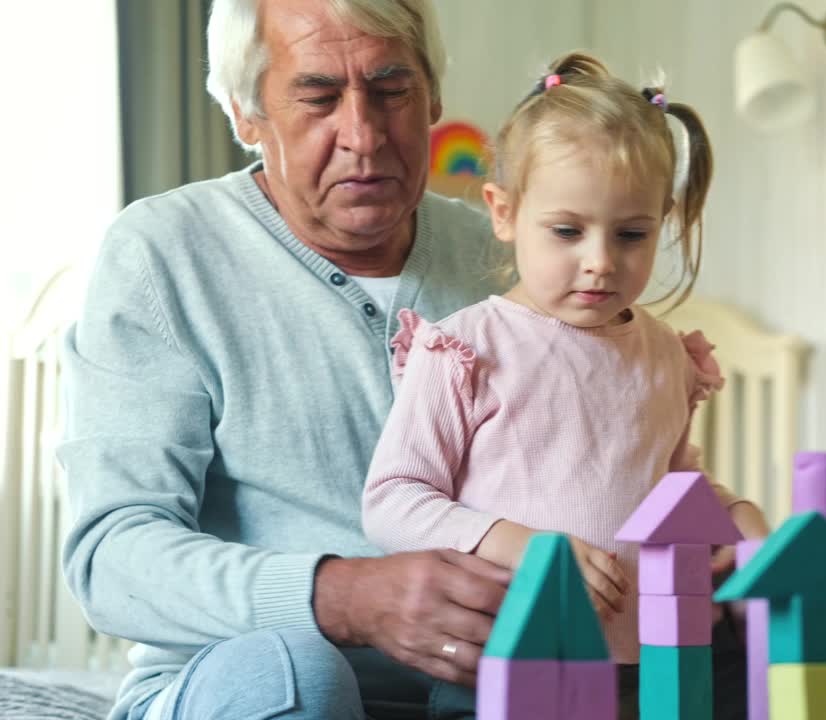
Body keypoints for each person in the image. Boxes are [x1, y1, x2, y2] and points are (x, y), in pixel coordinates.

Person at [60, 1, 511, 718]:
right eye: (319, 97)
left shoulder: (506, 259)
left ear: (433, 95)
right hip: (246, 679)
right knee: (299, 674)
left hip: (474, 683)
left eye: (392, 90)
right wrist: (347, 596)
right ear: (245, 115)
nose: (363, 135)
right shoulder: (161, 254)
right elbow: (110, 562)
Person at [361, 52, 771, 718]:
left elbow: (673, 488)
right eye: (567, 231)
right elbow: (391, 502)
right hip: (508, 662)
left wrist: (740, 519)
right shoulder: (466, 348)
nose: (601, 262)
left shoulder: (665, 356)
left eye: (632, 234)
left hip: (655, 662)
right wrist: (527, 547)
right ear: (503, 212)